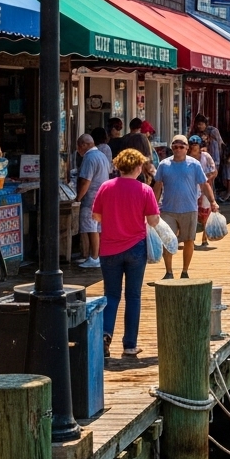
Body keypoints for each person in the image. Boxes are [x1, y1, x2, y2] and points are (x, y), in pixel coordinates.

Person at [91, 148, 160, 358]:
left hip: (109, 248)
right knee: (133, 296)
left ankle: (105, 334)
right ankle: (130, 345)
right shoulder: (145, 190)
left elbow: (96, 216)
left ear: (118, 166)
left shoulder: (106, 187)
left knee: (111, 295)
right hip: (135, 248)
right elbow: (153, 220)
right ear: (138, 167)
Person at [154, 136, 216, 279]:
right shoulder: (164, 165)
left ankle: (185, 271)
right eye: (175, 146)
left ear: (187, 148)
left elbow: (204, 184)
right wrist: (153, 206)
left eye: (181, 147)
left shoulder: (194, 164)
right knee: (167, 239)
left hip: (189, 208)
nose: (178, 149)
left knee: (189, 240)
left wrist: (213, 201)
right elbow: (157, 186)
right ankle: (169, 271)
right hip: (168, 209)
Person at [74, 134, 109, 269]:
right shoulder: (101, 156)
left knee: (90, 228)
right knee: (97, 228)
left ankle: (94, 257)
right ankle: (96, 255)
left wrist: (78, 198)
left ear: (83, 145)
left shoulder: (89, 158)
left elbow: (85, 181)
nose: (78, 150)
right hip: (101, 198)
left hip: (91, 199)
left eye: (78, 146)